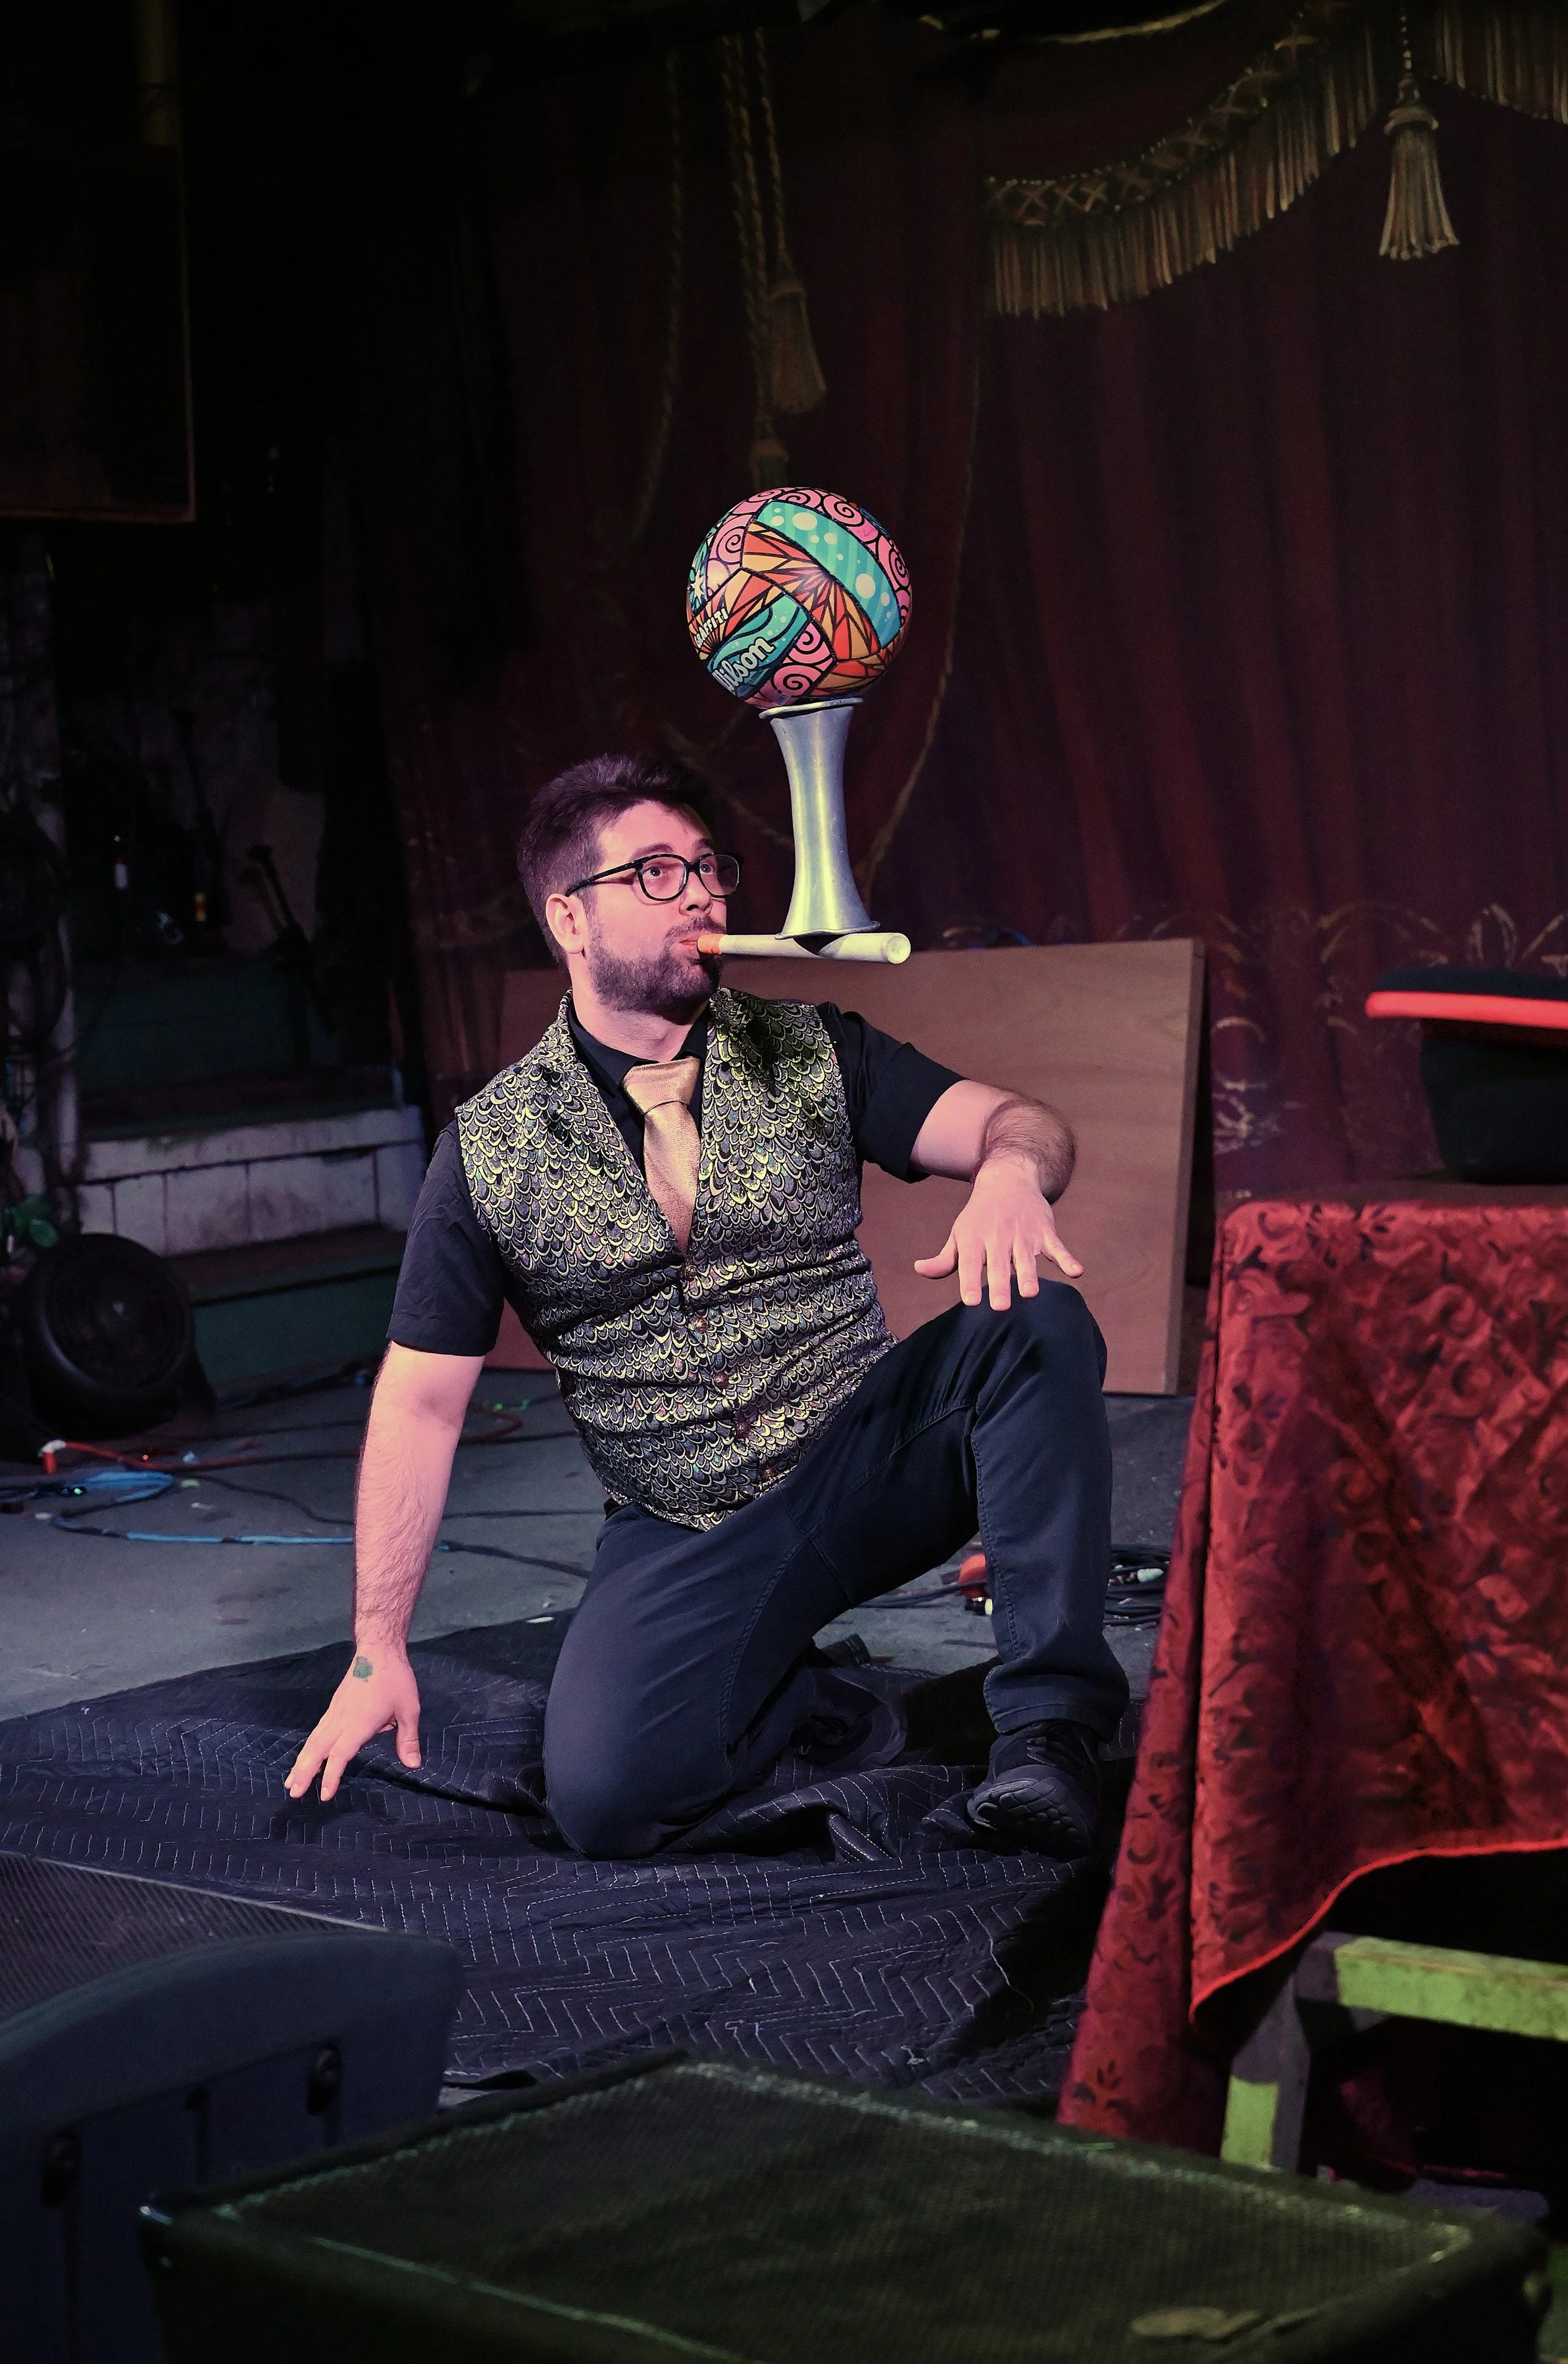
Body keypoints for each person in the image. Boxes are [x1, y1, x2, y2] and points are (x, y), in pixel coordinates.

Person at [286, 752, 1126, 1855]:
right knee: (606, 1804)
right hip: (686, 1520)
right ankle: (825, 1700)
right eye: (657, 874)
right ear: (570, 920)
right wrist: (376, 1643)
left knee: (1032, 1324)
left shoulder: (816, 1049)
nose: (703, 895)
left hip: (867, 1454)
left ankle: (1049, 1734)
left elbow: (1020, 1121)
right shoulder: (488, 1152)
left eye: (708, 869)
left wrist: (1013, 1175)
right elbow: (422, 1406)